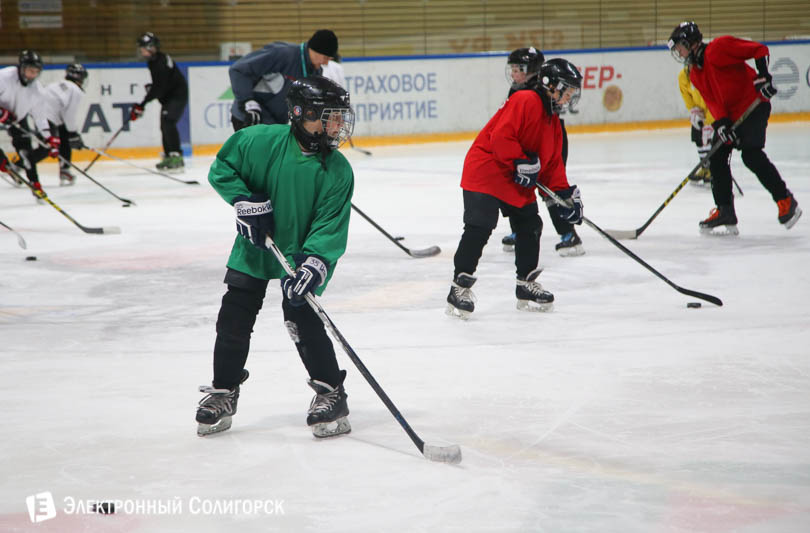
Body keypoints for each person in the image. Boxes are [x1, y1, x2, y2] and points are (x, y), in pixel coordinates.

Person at [197, 76, 356, 439]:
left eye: (339, 117)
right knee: (233, 316)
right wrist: (243, 200)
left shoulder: (338, 170)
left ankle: (331, 393)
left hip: (299, 253)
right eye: (330, 116)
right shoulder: (258, 141)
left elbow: (330, 225)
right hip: (256, 246)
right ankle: (223, 392)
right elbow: (222, 168)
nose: (337, 125)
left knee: (301, 316)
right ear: (302, 113)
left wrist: (315, 262)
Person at [446, 59, 584, 320]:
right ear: (550, 85)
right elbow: (501, 137)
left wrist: (566, 196)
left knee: (530, 224)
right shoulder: (525, 100)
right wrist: (519, 161)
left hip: (513, 178)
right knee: (480, 225)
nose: (569, 97)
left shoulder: (553, 122)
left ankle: (525, 284)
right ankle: (459, 288)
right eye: (566, 90)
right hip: (487, 169)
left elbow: (552, 167)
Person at [668, 21, 801, 235]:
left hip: (753, 105)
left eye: (679, 48)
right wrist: (720, 123)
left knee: (751, 155)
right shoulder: (695, 73)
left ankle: (785, 200)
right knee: (717, 155)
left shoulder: (719, 49)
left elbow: (759, 50)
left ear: (690, 43)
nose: (679, 53)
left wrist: (764, 76)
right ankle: (725, 210)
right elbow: (712, 101)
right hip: (731, 116)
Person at [500, 48, 584, 257]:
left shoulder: (542, 90)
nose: (513, 74)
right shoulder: (518, 90)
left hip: (548, 143)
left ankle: (568, 233)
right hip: (528, 145)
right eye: (513, 69)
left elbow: (547, 124)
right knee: (516, 186)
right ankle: (519, 230)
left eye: (518, 69)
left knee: (550, 189)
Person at [228, 29, 337, 131]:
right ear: (314, 50)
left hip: (274, 126)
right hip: (250, 119)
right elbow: (238, 70)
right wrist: (247, 101)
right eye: (325, 58)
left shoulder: (315, 72)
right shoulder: (282, 54)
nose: (326, 63)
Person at [130, 32, 189, 173]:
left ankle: (176, 156)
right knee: (164, 124)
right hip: (170, 96)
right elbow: (160, 85)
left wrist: (142, 104)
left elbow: (159, 88)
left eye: (143, 48)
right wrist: (149, 95)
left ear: (150, 47)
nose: (141, 51)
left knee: (168, 122)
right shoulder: (155, 60)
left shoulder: (159, 62)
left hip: (177, 96)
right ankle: (169, 155)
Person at [28, 64, 88, 186]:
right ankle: (19, 164)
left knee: (63, 137)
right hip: (47, 117)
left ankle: (65, 168)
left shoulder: (57, 84)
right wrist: (73, 133)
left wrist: (71, 134)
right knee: (47, 148)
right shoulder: (75, 90)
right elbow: (69, 115)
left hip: (39, 113)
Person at [0, 50, 47, 197]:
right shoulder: (4, 77)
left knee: (26, 149)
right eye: (30, 70)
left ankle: (35, 182)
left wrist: (48, 137)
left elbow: (40, 116)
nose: (33, 75)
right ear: (21, 67)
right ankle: (4, 164)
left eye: (36, 72)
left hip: (16, 118)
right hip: (4, 113)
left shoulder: (37, 89)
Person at [678, 64, 714, 188]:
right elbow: (686, 95)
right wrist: (693, 110)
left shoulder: (708, 73)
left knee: (711, 138)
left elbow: (717, 99)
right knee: (697, 133)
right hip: (701, 110)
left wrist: (710, 121)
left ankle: (713, 168)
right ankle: (705, 167)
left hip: (715, 111)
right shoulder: (683, 76)